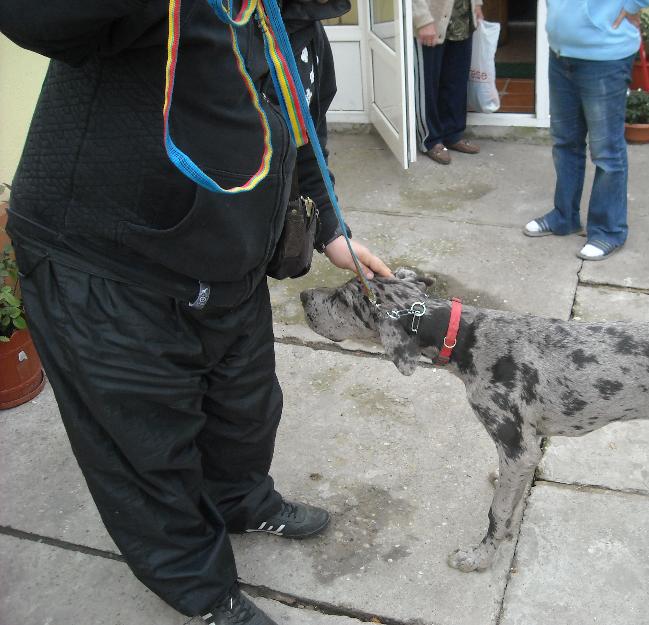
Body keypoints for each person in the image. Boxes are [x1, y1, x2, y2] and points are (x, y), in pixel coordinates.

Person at [0, 2, 391, 624]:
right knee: (146, 450)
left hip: (224, 265)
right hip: (106, 267)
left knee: (246, 409)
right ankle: (206, 593)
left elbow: (295, 129)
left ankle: (242, 502)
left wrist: (329, 227)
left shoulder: (287, 20)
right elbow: (33, 17)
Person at [523, 0, 649, 261]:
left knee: (606, 151)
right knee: (565, 142)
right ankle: (564, 217)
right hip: (561, 52)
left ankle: (609, 231)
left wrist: (634, 4)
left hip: (605, 56)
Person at [413, 0, 484, 165]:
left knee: (456, 80)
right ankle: (430, 140)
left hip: (462, 19)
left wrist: (477, 4)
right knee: (428, 86)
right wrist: (422, 19)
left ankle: (453, 134)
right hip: (431, 20)